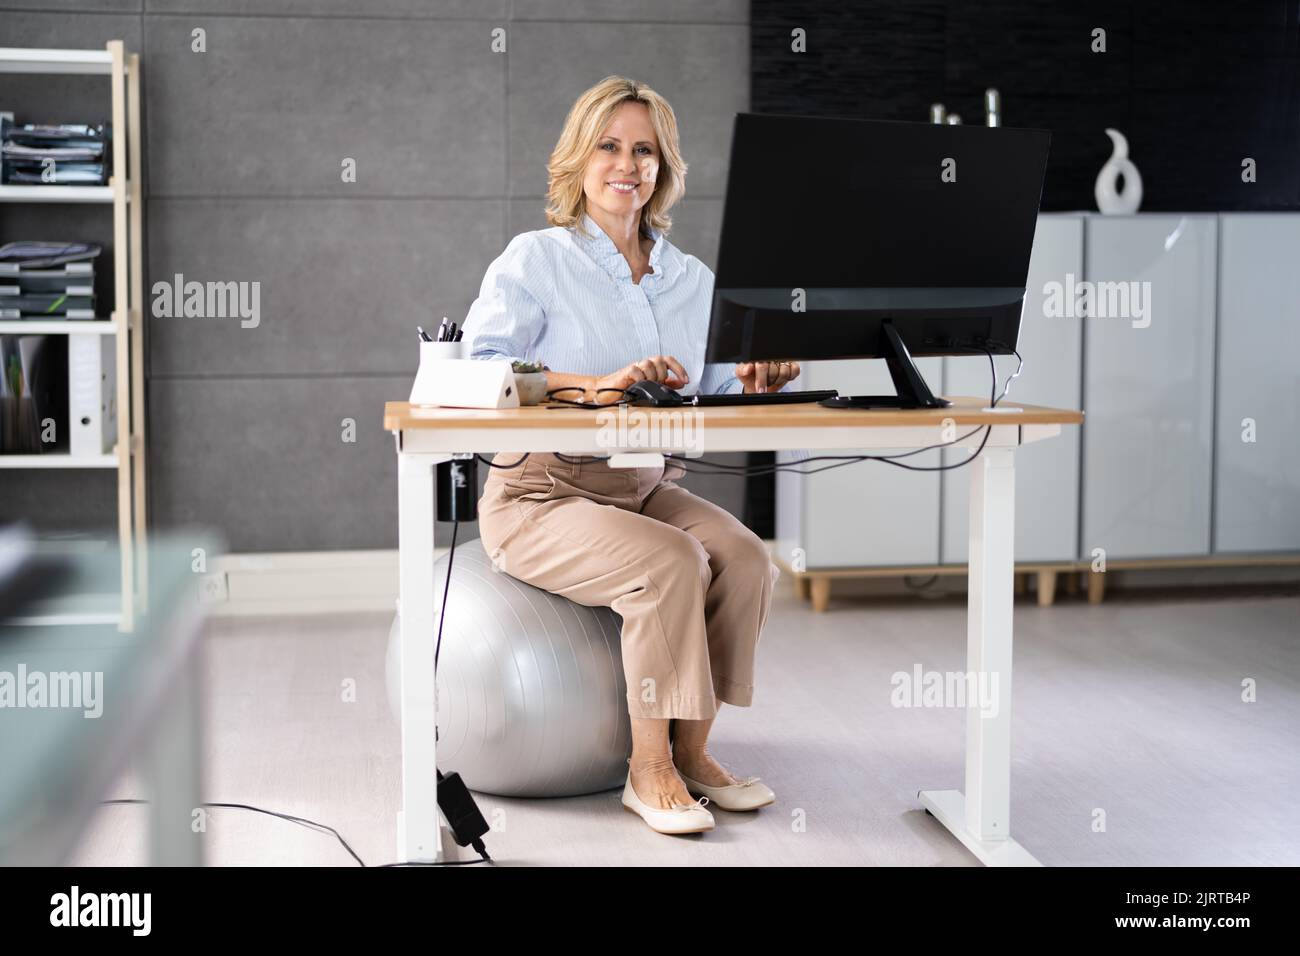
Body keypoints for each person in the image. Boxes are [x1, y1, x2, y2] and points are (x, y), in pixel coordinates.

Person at [463, 75, 801, 835]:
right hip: (539, 494)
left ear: (664, 167)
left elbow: (714, 390)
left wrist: (756, 376)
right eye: (610, 146)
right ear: (580, 160)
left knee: (747, 558)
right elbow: (479, 369)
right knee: (670, 562)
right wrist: (596, 385)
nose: (628, 163)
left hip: (640, 485)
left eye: (645, 150)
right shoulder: (537, 260)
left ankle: (693, 749)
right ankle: (645, 769)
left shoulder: (692, 280)